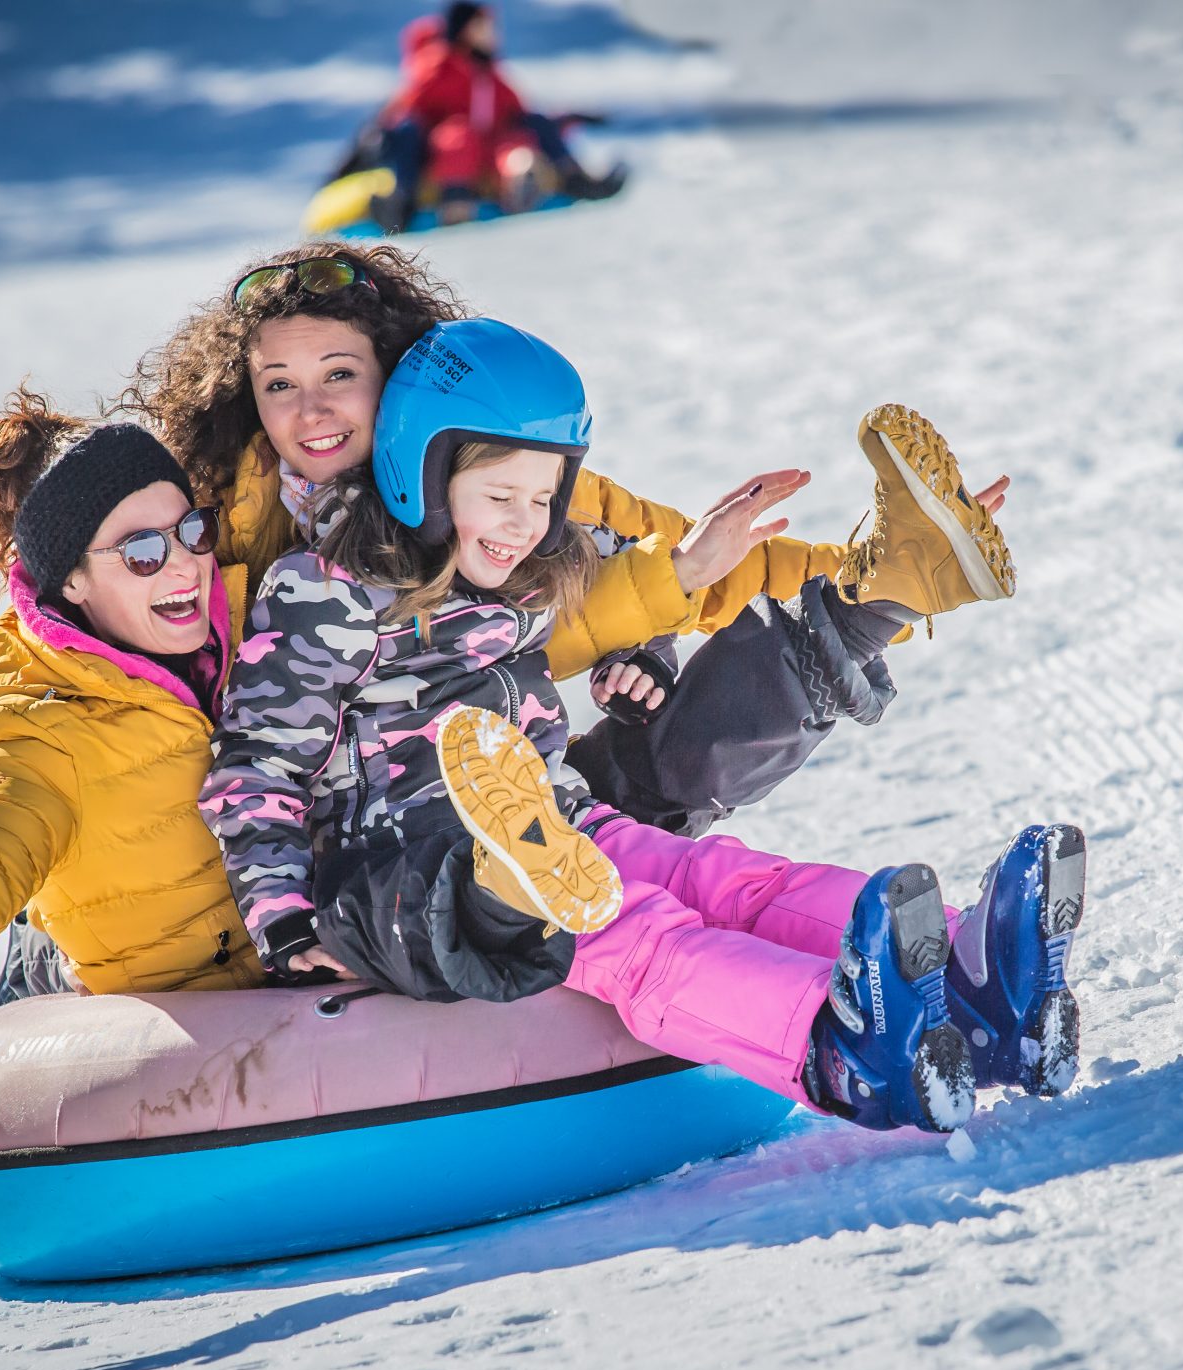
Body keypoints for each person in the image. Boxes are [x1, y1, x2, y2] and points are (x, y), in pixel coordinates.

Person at [202, 320, 1087, 1133]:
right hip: (419, 872)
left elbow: (643, 580)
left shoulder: (530, 559)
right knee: (634, 934)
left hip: (556, 821)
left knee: (725, 882)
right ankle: (836, 1043)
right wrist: (282, 921)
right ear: (423, 475)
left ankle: (979, 986)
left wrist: (652, 658)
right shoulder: (320, 593)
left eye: (544, 498)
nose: (524, 522)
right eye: (499, 495)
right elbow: (258, 769)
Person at [122, 241, 1018, 840]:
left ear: (400, 376)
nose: (310, 410)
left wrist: (850, 572)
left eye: (341, 375)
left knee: (650, 748)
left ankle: (888, 592)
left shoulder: (501, 475)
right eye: (279, 384)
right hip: (323, 840)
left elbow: (692, 557)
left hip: (487, 788)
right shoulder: (216, 521)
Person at [0, 393, 265, 1006]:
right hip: (199, 1046)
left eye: (193, 529)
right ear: (72, 582)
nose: (184, 567)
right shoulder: (45, 732)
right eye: (142, 552)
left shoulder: (259, 623)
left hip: (319, 988)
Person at [350, 2, 625, 231]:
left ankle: (543, 181)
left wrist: (566, 119)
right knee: (458, 135)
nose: (494, 33)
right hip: (443, 152)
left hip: (489, 147)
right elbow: (405, 109)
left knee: (518, 141)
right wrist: (374, 137)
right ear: (466, 30)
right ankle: (417, 201)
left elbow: (519, 111)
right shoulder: (439, 68)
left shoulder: (489, 74)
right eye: (484, 26)